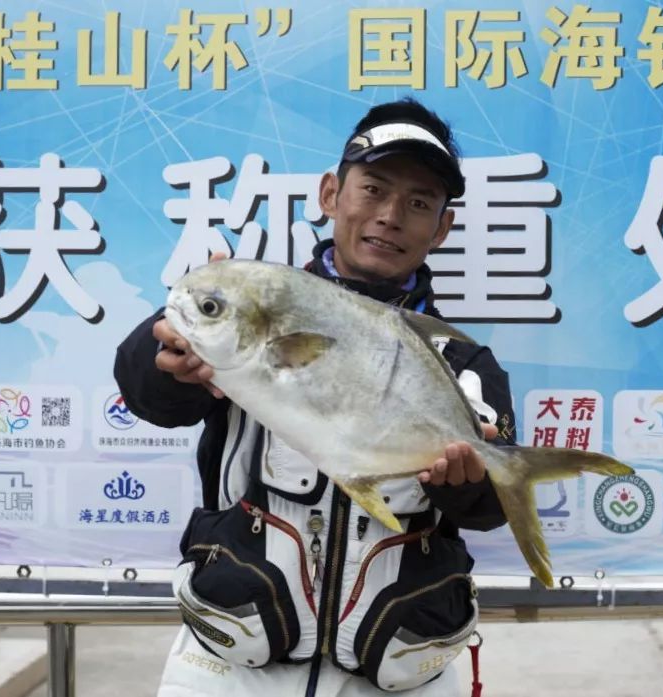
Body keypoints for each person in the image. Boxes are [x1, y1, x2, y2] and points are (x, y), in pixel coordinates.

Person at [115, 98, 517, 697]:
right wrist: (168, 361)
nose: (390, 216)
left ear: (442, 228)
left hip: (398, 675)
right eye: (373, 189)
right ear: (331, 194)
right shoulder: (255, 305)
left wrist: (466, 482)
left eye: (418, 203)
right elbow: (149, 394)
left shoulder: (462, 362)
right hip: (229, 667)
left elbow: (487, 510)